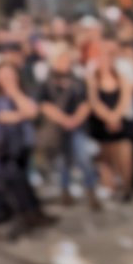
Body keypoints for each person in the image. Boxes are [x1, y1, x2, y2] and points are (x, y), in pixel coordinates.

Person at [37, 45, 100, 211]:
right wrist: (64, 120)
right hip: (57, 128)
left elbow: (85, 103)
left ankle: (91, 189)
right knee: (62, 162)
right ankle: (65, 191)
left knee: (83, 158)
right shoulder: (47, 82)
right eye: (61, 59)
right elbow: (44, 105)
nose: (64, 62)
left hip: (77, 127)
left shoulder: (78, 81)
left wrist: (75, 120)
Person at [0, 63, 52, 238]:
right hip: (1, 150)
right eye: (3, 75)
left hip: (23, 146)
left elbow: (32, 112)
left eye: (10, 75)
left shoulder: (24, 93)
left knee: (23, 182)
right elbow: (3, 117)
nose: (7, 79)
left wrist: (14, 92)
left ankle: (34, 214)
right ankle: (24, 217)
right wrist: (22, 113)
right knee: (12, 185)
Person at [87, 45, 133, 202]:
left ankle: (127, 188)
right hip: (102, 124)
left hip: (121, 122)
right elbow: (94, 102)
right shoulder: (93, 79)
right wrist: (108, 117)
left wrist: (115, 117)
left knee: (125, 155)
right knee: (108, 157)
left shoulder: (122, 77)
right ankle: (112, 185)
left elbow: (125, 99)